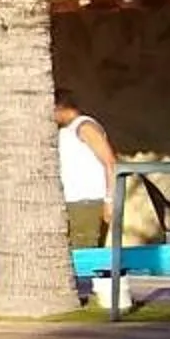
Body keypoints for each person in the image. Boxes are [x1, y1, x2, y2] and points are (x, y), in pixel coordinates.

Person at [55, 88, 117, 252]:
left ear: (60, 108)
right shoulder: (66, 130)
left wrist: (109, 200)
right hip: (73, 202)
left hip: (87, 202)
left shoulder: (85, 127)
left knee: (84, 252)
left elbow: (110, 162)